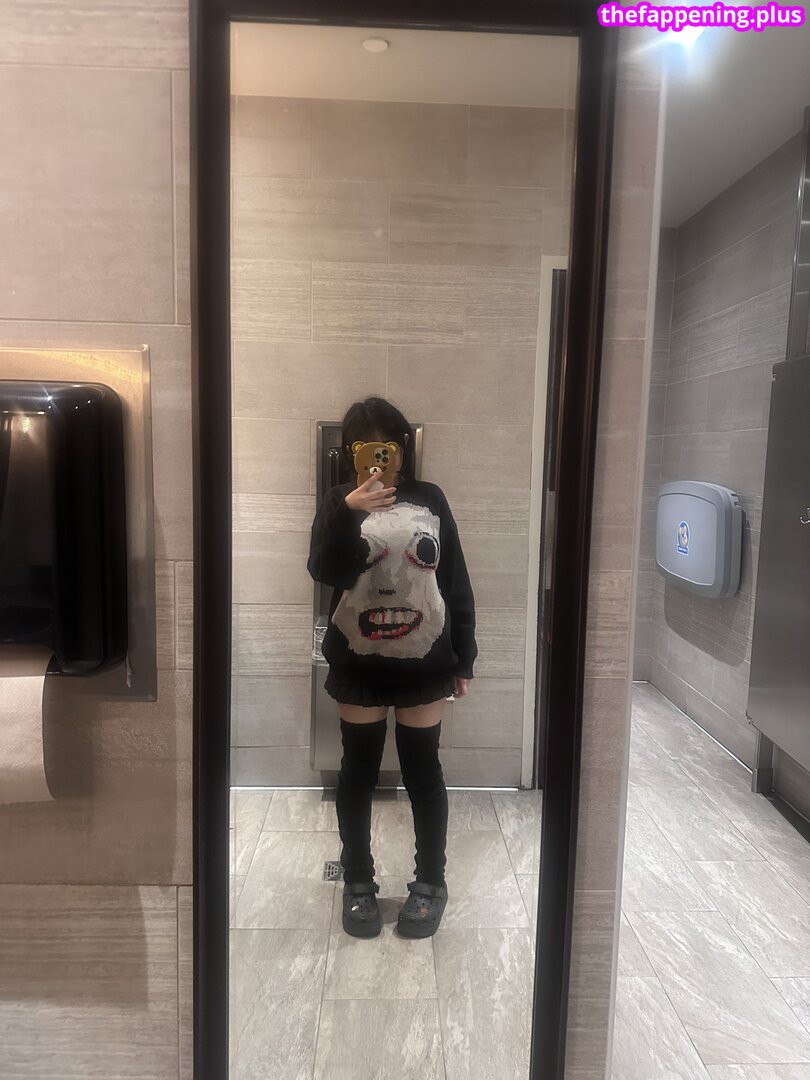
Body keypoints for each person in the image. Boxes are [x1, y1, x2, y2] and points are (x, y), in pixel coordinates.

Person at [307, 397, 477, 940]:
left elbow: (454, 578)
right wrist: (348, 511)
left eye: (387, 444)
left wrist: (466, 655)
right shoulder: (338, 500)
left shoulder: (431, 499)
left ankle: (430, 882)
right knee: (357, 773)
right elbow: (324, 571)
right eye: (365, 446)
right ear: (351, 452)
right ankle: (358, 881)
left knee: (423, 772)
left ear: (402, 448)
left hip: (425, 660)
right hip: (358, 659)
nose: (377, 458)